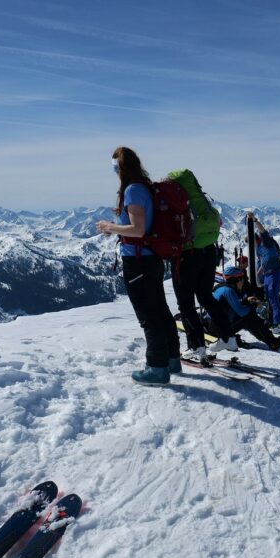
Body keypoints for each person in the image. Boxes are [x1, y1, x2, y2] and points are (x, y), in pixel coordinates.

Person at [96, 146, 180, 386]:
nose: (113, 171)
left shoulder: (133, 190)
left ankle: (157, 368)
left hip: (138, 260)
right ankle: (172, 359)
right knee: (160, 311)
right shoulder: (145, 186)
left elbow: (138, 228)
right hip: (150, 258)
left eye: (114, 166)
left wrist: (110, 227)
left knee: (148, 315)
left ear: (121, 167)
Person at [167, 170, 237, 364]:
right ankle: (228, 337)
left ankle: (197, 347)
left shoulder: (176, 196)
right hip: (209, 252)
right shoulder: (199, 197)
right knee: (206, 297)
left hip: (188, 256)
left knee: (186, 304)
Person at [212, 266, 280, 351]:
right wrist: (254, 305)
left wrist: (246, 301)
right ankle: (272, 342)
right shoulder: (229, 291)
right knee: (249, 317)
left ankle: (270, 339)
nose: (243, 282)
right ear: (235, 280)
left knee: (249, 315)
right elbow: (242, 312)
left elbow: (230, 306)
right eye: (241, 279)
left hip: (215, 326)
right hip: (219, 329)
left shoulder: (222, 287)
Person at [248, 212, 280, 336]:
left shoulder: (267, 242)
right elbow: (262, 264)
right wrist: (256, 276)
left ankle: (279, 324)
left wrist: (255, 220)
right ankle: (274, 321)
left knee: (273, 298)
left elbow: (263, 231)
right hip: (268, 274)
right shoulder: (258, 249)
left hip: (275, 272)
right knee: (270, 298)